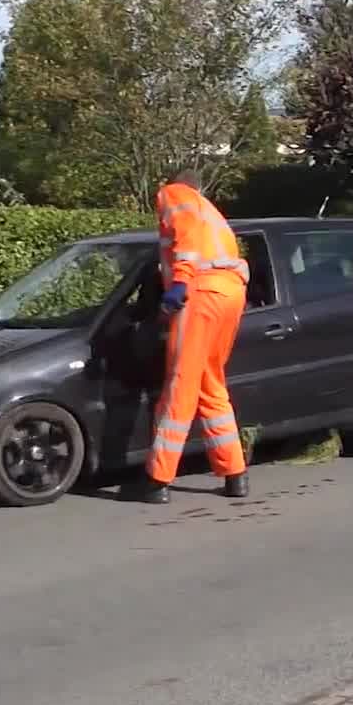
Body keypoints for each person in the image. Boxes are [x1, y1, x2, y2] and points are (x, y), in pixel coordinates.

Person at [127, 166, 251, 504]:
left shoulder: (176, 194)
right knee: (211, 383)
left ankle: (157, 480)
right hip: (231, 293)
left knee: (180, 383)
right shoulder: (212, 212)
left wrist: (179, 282)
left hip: (200, 293)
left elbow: (185, 238)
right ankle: (234, 474)